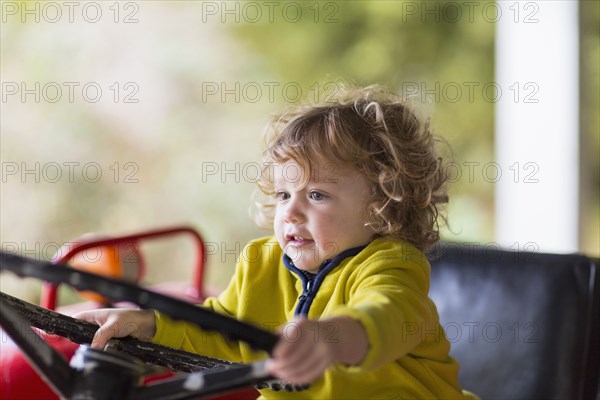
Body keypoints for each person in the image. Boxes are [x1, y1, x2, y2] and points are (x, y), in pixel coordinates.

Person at [75, 85, 475, 399]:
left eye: (316, 195)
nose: (291, 213)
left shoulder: (391, 264)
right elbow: (222, 332)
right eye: (284, 195)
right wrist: (148, 323)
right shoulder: (261, 264)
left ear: (381, 203)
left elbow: (386, 317)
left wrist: (328, 337)